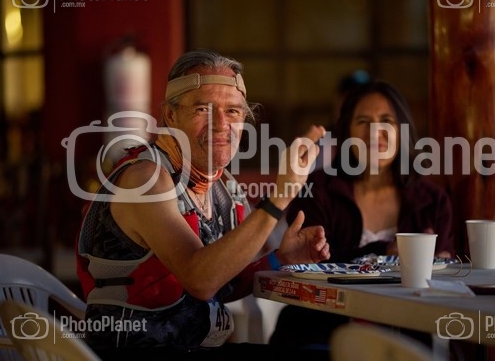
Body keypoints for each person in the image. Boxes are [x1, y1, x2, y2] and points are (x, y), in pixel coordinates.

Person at [76, 49, 331, 360]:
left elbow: (221, 280)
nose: (221, 124)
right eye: (203, 109)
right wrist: (281, 196)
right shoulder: (145, 179)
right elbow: (200, 280)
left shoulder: (224, 190)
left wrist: (280, 259)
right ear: (171, 115)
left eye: (233, 111)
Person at [270, 79, 454, 348]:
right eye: (363, 122)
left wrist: (440, 263)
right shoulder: (317, 189)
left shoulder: (431, 200)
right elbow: (309, 270)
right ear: (347, 132)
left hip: (405, 340)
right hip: (319, 335)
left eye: (386, 121)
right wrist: (385, 254)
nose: (374, 132)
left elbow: (445, 273)